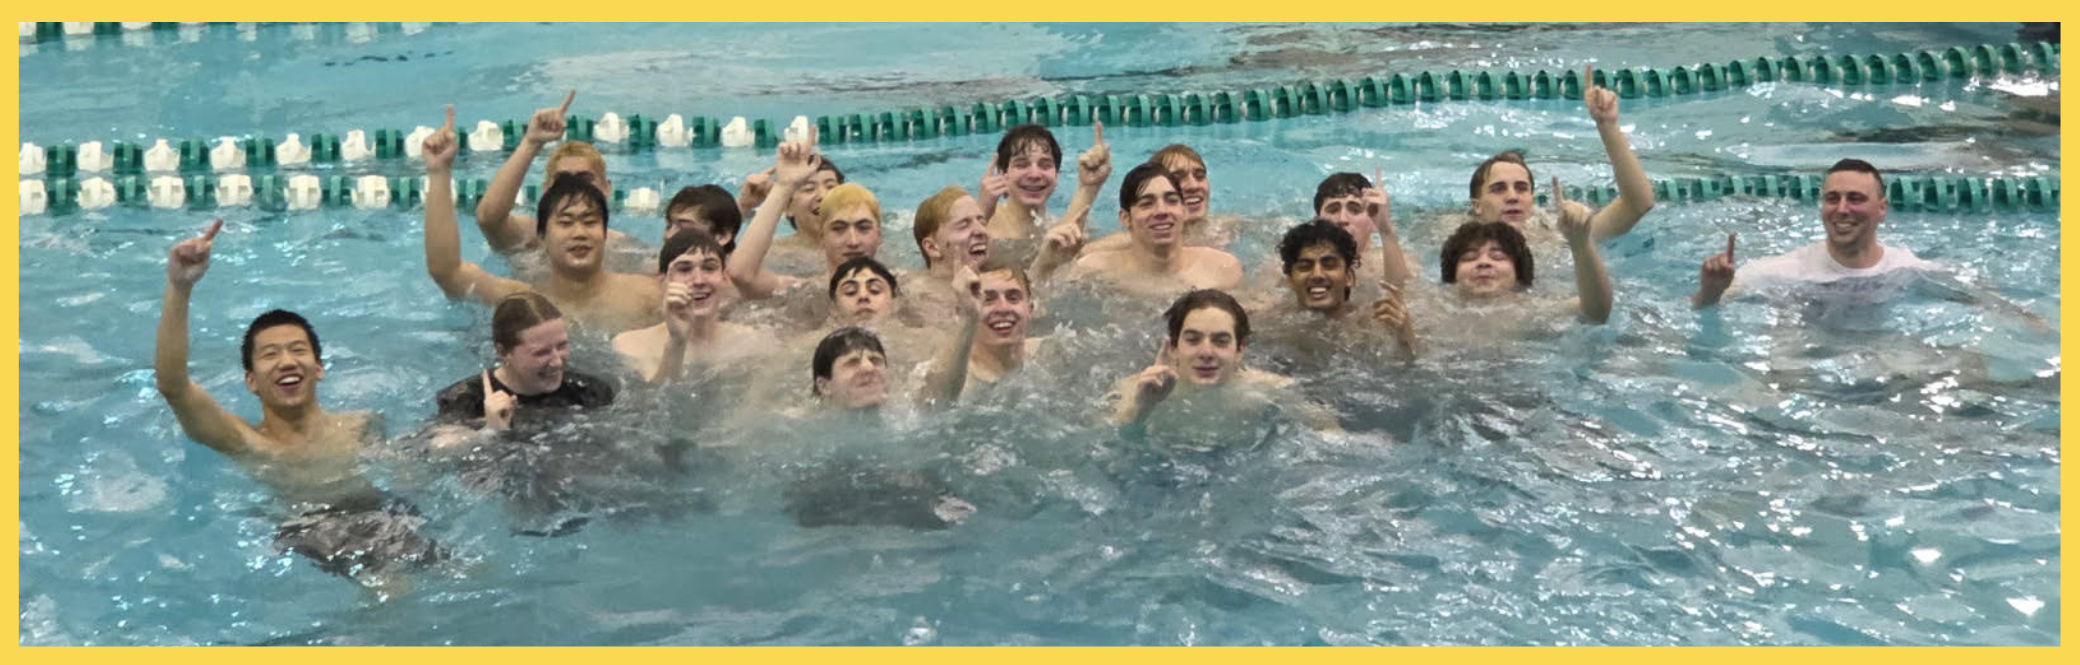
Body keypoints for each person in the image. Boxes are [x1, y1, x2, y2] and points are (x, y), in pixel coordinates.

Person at [154, 219, 440, 587]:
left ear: (318, 368)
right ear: (251, 381)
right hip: (313, 529)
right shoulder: (247, 443)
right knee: (392, 589)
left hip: (385, 514)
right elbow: (173, 385)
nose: (287, 361)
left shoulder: (362, 424)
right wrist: (180, 288)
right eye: (270, 354)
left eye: (298, 350)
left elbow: (406, 473)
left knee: (468, 574)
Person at [422, 105, 661, 333]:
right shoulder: (523, 302)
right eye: (565, 222)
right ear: (542, 237)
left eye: (590, 221)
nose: (579, 232)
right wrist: (439, 172)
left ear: (605, 231)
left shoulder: (649, 295)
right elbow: (447, 271)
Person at [1693, 159, 1934, 310]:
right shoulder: (1783, 271)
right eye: (1832, 199)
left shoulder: (1907, 268)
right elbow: (1696, 309)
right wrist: (1711, 292)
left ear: (1882, 208)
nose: (1841, 209)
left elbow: (1970, 300)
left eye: (1855, 198)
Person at [1106, 290, 1341, 441]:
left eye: (1220, 341)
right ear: (1174, 347)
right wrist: (1142, 409)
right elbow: (1104, 448)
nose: (1206, 353)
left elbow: (1333, 437)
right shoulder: (1137, 390)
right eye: (1193, 340)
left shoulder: (1272, 392)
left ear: (1240, 350)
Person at [1461, 66, 1655, 244]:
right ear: (1477, 206)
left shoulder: (1561, 235)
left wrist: (1608, 126)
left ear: (1533, 201)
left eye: (1521, 188)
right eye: (1498, 189)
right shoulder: (1461, 246)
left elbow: (1638, 204)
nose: (1512, 197)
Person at [1433, 178, 1612, 325]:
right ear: (1452, 274)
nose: (1484, 262)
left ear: (1519, 274)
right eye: (1470, 257)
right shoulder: (1432, 311)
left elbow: (1596, 312)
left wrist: (1580, 244)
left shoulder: (1533, 312)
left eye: (1497, 256)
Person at [433, 292, 615, 433]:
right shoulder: (463, 401)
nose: (557, 361)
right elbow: (432, 452)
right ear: (503, 352)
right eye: (541, 352)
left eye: (562, 346)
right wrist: (490, 432)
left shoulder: (590, 392)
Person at [473, 91, 624, 254]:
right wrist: (531, 143)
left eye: (584, 178)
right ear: (545, 191)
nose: (573, 188)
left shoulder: (624, 250)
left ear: (607, 188)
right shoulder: (530, 239)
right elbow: (488, 219)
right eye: (562, 180)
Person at [611, 229, 761, 384]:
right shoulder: (632, 345)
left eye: (709, 268)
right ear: (662, 282)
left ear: (724, 278)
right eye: (684, 269)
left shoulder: (750, 341)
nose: (698, 280)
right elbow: (656, 402)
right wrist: (677, 342)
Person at [909, 185, 1082, 318]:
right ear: (932, 247)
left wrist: (1045, 266)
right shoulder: (915, 295)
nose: (981, 231)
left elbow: (1030, 314)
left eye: (981, 221)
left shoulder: (997, 276)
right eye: (964, 224)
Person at [1069, 162, 1243, 294]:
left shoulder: (1221, 268)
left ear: (1183, 211)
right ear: (1125, 218)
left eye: (1172, 201)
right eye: (1147, 203)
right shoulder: (1094, 270)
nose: (1161, 211)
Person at [1272, 219, 1418, 355]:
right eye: (1305, 267)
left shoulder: (1373, 327)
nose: (1317, 275)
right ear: (1290, 280)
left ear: (1349, 277)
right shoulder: (1271, 328)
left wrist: (1405, 338)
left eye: (1329, 265)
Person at [979, 123, 1110, 259]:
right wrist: (982, 213)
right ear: (1002, 174)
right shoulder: (985, 228)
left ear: (1056, 175)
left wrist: (1088, 187)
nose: (1034, 174)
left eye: (1045, 165)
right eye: (1022, 165)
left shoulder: (1053, 225)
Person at [1086, 144, 1237, 251]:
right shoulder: (1132, 240)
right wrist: (1087, 188)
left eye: (1200, 176)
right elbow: (1083, 252)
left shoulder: (1226, 228)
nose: (1193, 186)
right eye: (1179, 177)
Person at [735, 156, 846, 274]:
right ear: (788, 207)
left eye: (831, 187)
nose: (823, 195)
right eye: (809, 189)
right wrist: (743, 206)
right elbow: (724, 263)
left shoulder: (859, 245)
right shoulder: (773, 253)